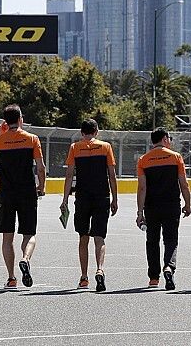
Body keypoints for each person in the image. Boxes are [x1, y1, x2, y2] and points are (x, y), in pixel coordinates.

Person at [0, 104, 46, 289]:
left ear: (5, 121)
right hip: (27, 191)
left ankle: (11, 278)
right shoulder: (32, 139)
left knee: (7, 237)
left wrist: (0, 135)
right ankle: (26, 259)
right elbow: (41, 168)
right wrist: (41, 187)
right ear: (21, 119)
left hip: (6, 193)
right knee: (29, 234)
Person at [60, 119, 118, 292]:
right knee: (99, 237)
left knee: (83, 237)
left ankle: (84, 277)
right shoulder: (106, 147)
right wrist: (115, 198)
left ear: (81, 132)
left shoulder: (75, 148)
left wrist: (65, 199)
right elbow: (112, 175)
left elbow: (69, 175)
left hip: (83, 197)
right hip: (102, 196)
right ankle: (100, 269)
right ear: (97, 131)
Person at [136, 128, 191, 290]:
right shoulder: (176, 157)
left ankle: (154, 277)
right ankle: (169, 267)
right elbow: (184, 183)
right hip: (171, 205)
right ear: (165, 139)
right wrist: (187, 204)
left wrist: (140, 212)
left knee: (152, 241)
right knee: (171, 240)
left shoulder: (143, 160)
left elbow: (142, 188)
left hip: (151, 207)